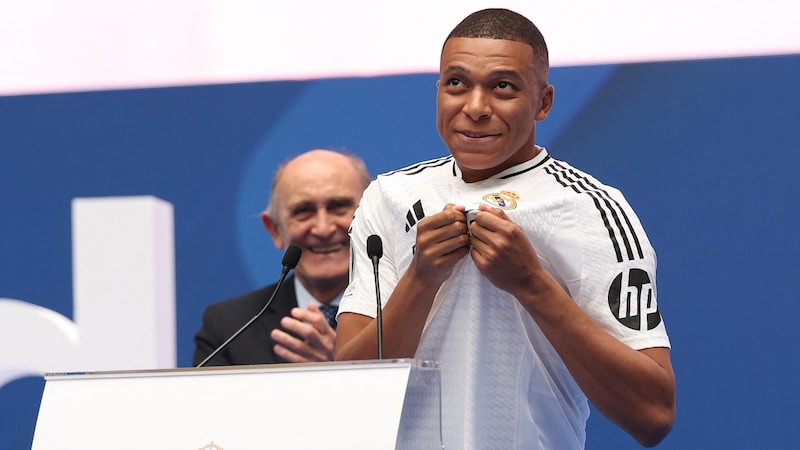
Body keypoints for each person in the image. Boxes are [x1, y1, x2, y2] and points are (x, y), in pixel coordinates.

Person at [335, 8, 676, 449]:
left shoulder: (591, 208)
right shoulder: (389, 196)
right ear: (438, 91)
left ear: (543, 102)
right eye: (456, 83)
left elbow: (653, 414)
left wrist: (533, 284)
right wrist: (421, 279)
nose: (475, 108)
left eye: (502, 87)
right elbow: (351, 389)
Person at [194, 149, 371, 366]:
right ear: (275, 229)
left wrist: (341, 367)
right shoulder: (229, 327)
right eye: (303, 211)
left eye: (338, 207)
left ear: (371, 216)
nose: (323, 229)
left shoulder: (409, 312)